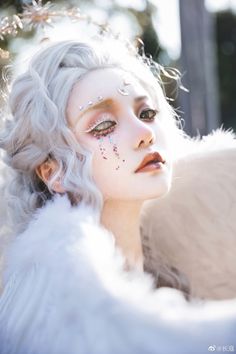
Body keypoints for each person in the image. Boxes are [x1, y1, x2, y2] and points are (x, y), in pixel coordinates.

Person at [0, 38, 235, 354]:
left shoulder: (181, 275)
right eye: (105, 125)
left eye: (147, 112)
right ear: (52, 172)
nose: (145, 134)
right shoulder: (59, 323)